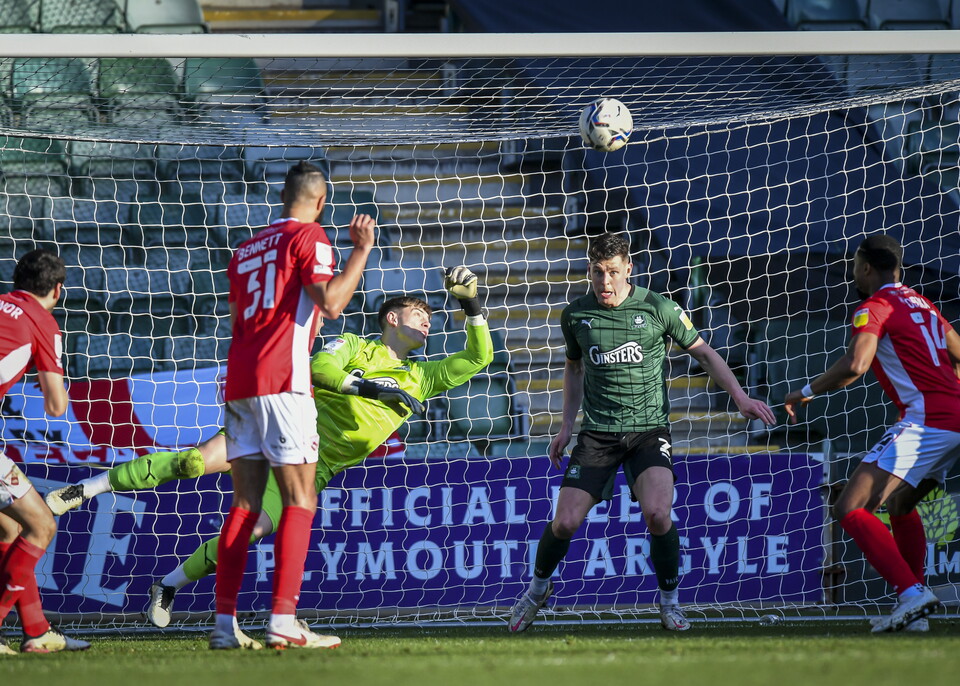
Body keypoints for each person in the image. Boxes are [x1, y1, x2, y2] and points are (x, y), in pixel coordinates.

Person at [509, 232, 776, 633]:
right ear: (589, 272)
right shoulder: (576, 315)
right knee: (563, 523)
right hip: (597, 434)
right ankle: (537, 591)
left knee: (657, 514)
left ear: (628, 269)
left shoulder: (657, 307)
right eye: (598, 273)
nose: (605, 282)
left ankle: (670, 603)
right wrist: (565, 425)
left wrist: (739, 396)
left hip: (649, 431)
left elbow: (703, 351)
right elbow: (574, 367)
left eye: (613, 272)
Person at [211, 160, 374, 650]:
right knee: (300, 499)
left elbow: (247, 318)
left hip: (240, 380)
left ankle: (223, 626)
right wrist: (360, 252)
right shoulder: (312, 237)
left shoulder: (245, 250)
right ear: (320, 201)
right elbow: (330, 303)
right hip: (284, 381)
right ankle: (283, 620)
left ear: (283, 196)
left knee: (244, 504)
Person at [784, 234, 960, 633]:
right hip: (953, 418)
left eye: (854, 265)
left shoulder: (874, 307)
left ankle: (912, 594)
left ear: (864, 267)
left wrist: (806, 392)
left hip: (926, 421)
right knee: (899, 505)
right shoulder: (923, 304)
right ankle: (915, 612)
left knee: (849, 508)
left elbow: (857, 363)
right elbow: (958, 352)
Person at [0, 249, 89, 655]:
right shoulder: (42, 322)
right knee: (42, 525)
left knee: (10, 529)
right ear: (57, 289)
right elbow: (55, 406)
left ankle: (36, 631)